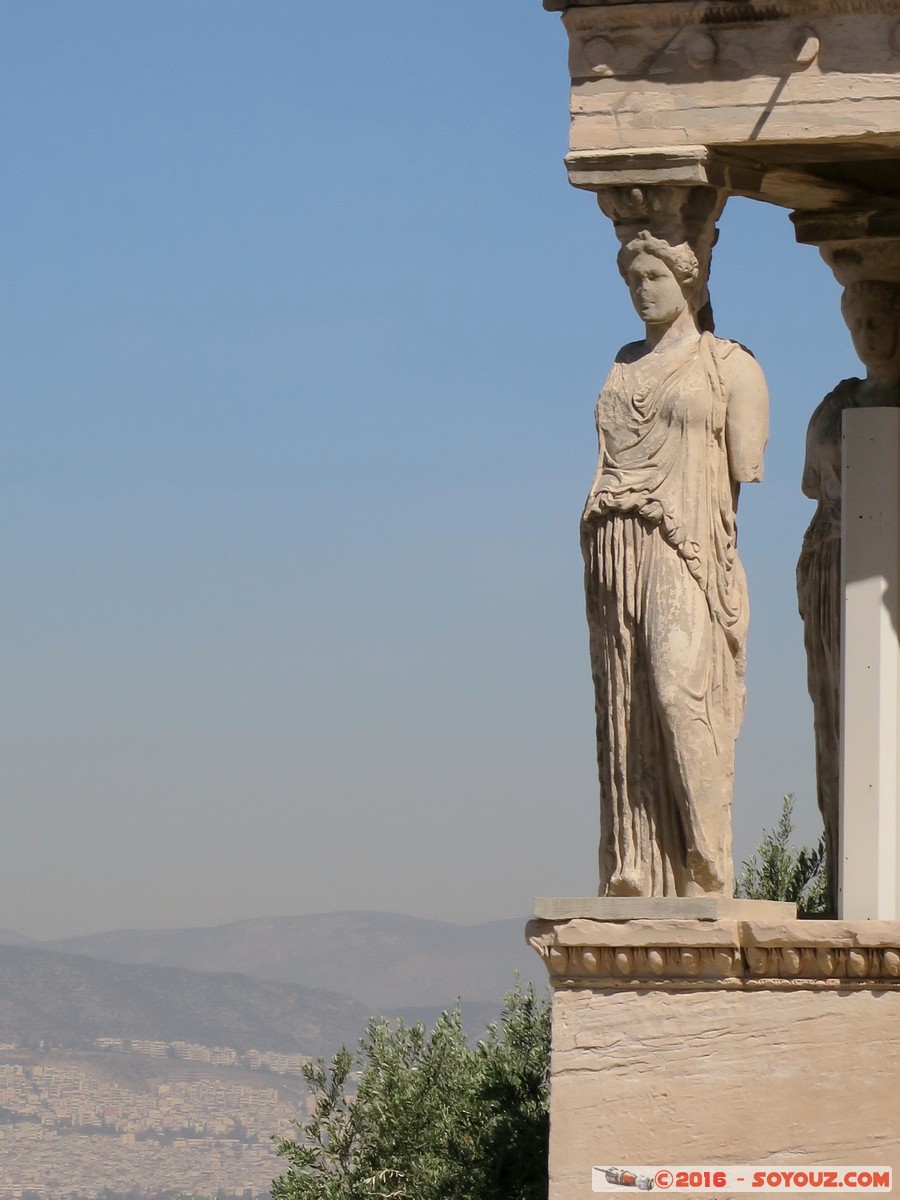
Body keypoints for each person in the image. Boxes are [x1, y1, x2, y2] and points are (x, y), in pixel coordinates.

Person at [581, 230, 769, 897]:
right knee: (626, 701)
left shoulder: (729, 366)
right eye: (632, 280)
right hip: (614, 541)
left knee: (675, 686)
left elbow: (745, 463)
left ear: (688, 279)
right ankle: (640, 863)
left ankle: (708, 853)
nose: (641, 291)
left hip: (685, 542)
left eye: (654, 277)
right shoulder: (623, 362)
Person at [797, 279, 900, 917]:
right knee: (840, 719)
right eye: (856, 322)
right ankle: (849, 876)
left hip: (883, 568)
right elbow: (814, 486)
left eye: (877, 319)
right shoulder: (834, 408)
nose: (866, 333)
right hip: (834, 564)